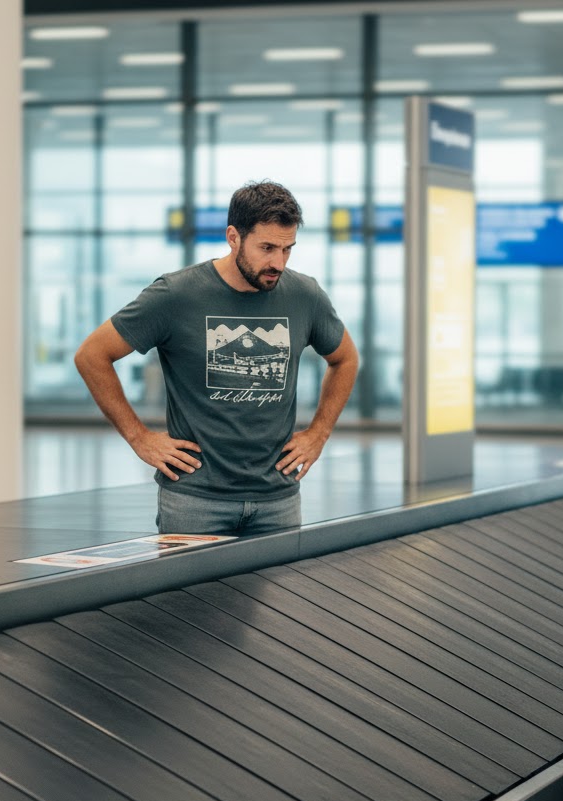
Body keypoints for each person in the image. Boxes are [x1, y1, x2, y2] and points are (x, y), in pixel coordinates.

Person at [74, 181, 359, 535]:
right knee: (185, 595)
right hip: (195, 501)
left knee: (284, 594)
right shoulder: (175, 294)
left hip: (279, 500)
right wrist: (139, 438)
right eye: (267, 247)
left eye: (288, 249)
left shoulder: (305, 295)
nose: (278, 263)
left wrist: (319, 432)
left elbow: (345, 358)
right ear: (233, 237)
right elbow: (92, 355)